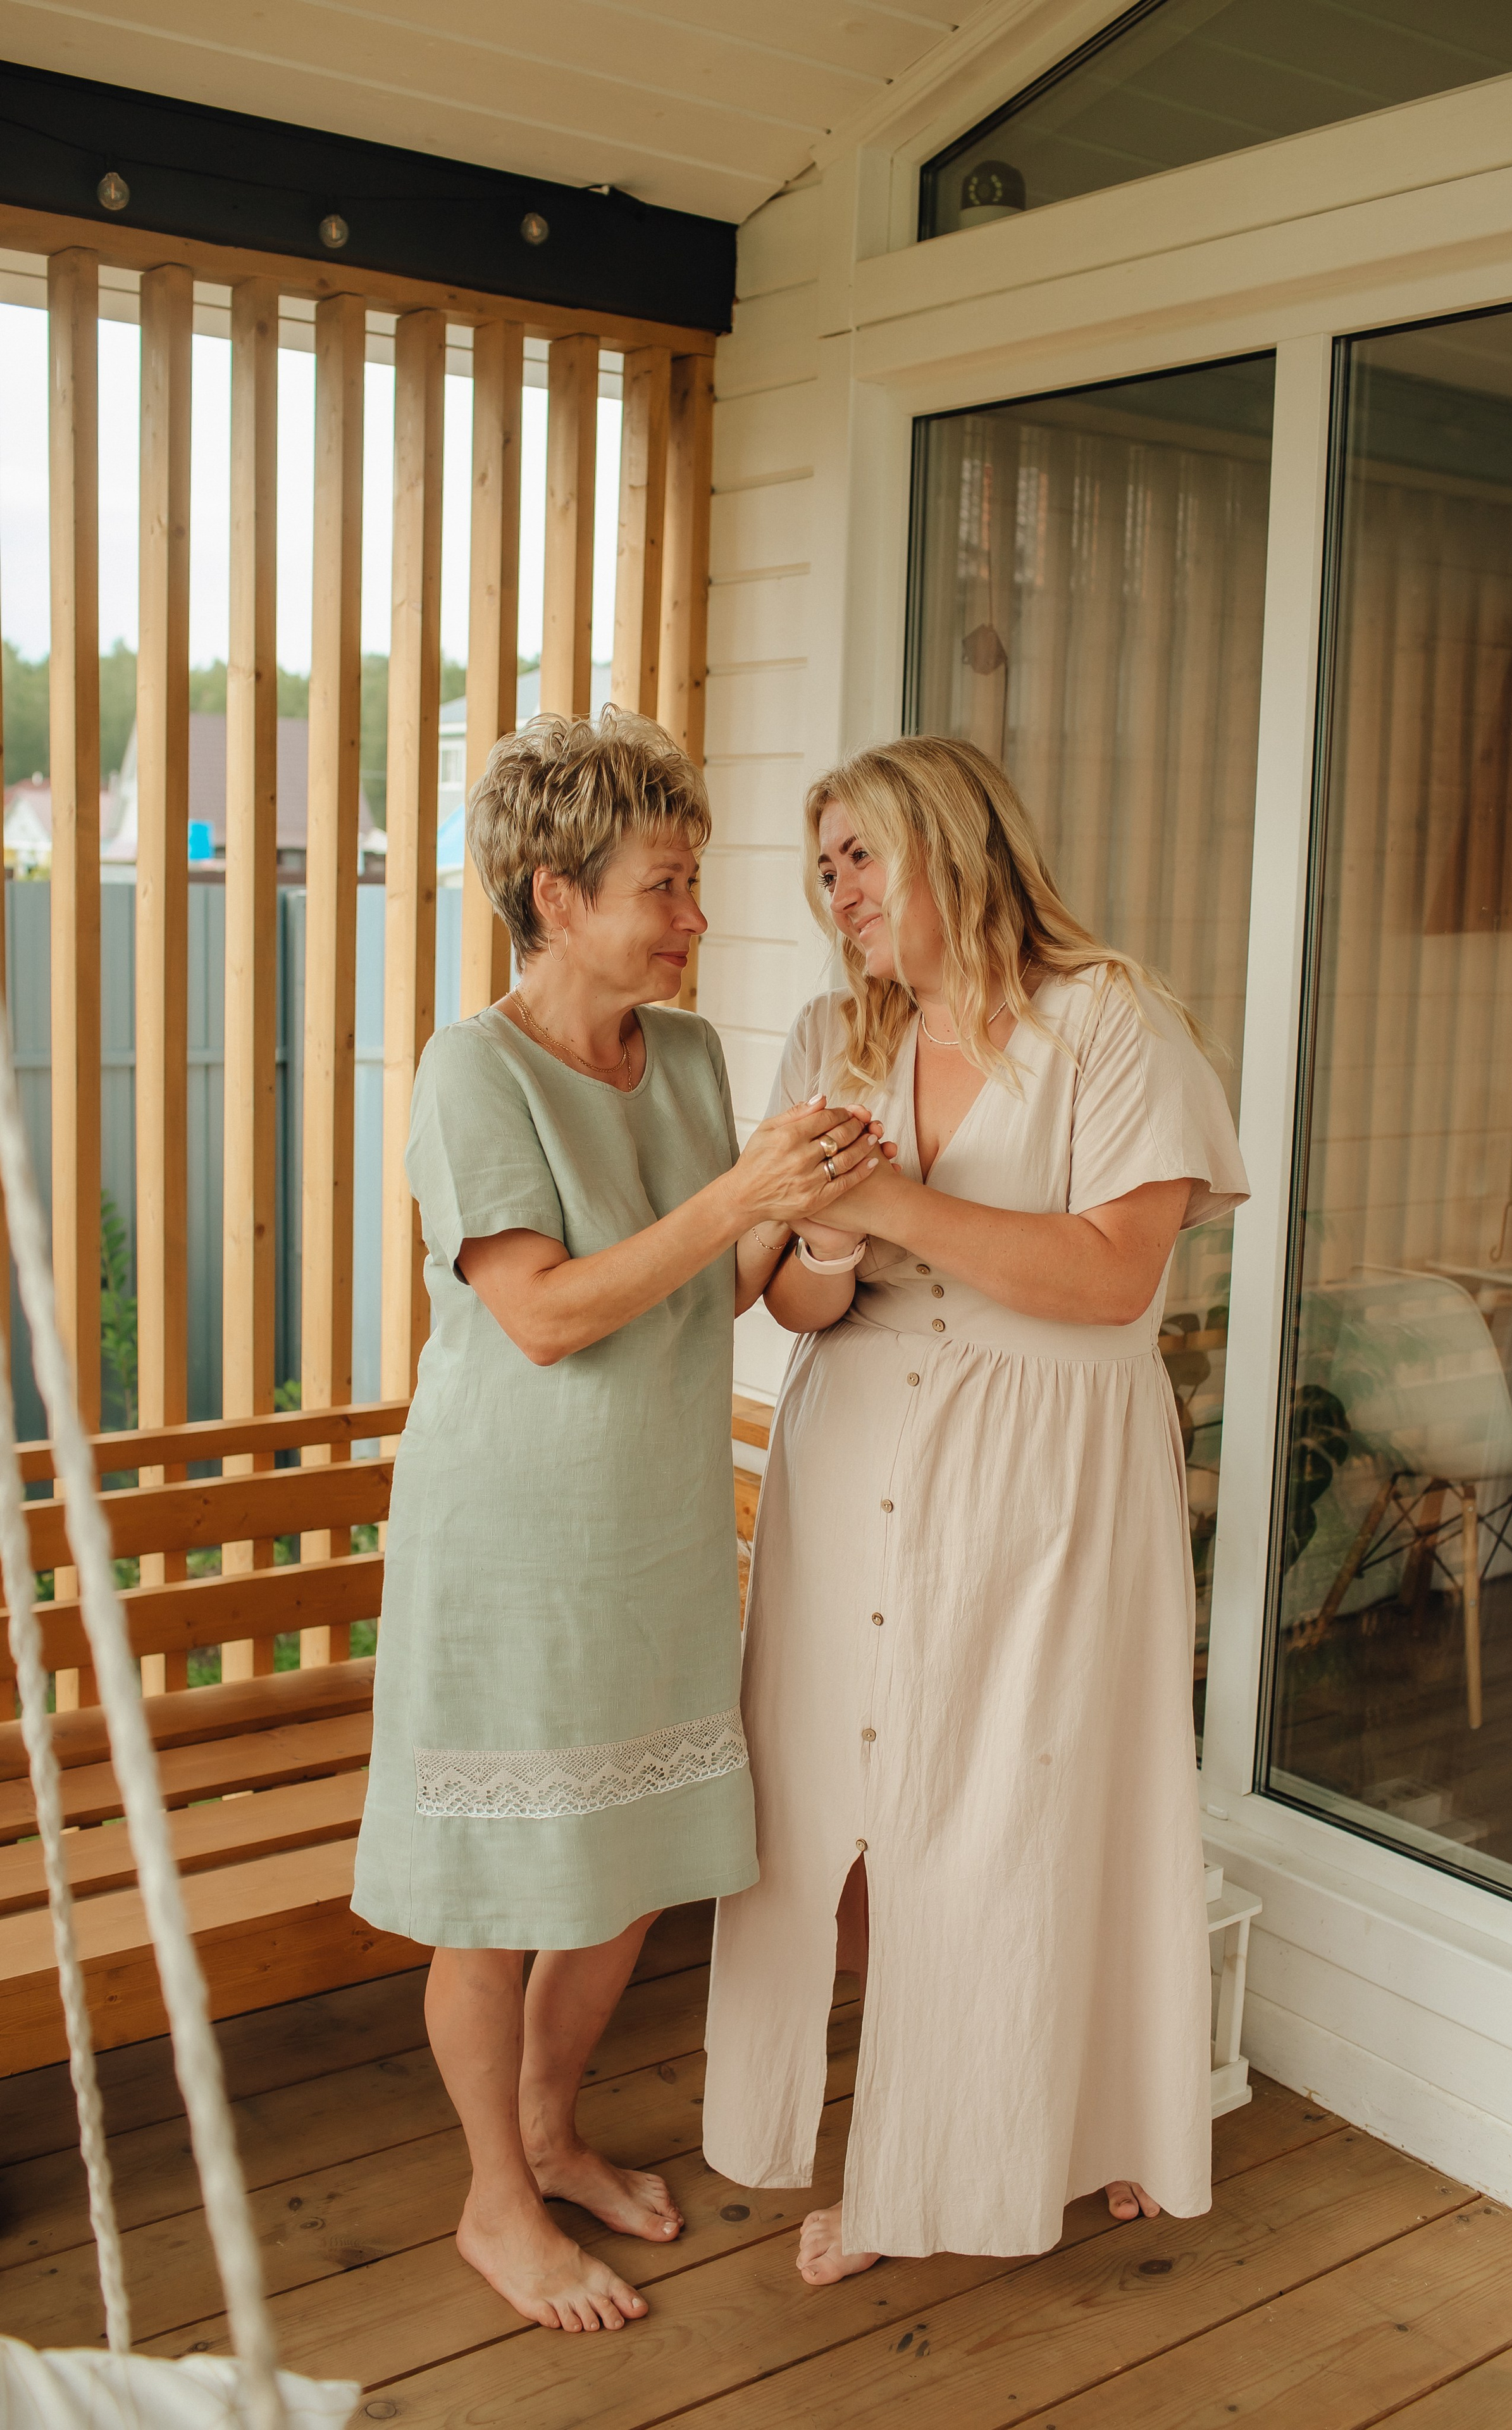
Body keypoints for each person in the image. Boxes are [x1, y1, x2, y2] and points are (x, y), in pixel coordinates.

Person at [352, 708, 885, 2334]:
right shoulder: (474, 1068)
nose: (694, 918)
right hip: (511, 1542)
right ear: (553, 893)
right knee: (501, 1888)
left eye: (693, 881)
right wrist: (737, 1197)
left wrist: (827, 1235)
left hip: (652, 1534)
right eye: (663, 885)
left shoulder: (701, 1058)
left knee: (630, 1865)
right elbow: (547, 1313)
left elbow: (721, 1290)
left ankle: (546, 2128)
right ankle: (493, 2205)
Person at [702, 735, 1249, 2282]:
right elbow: (802, 1303)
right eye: (822, 873)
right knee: (842, 1816)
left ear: (953, 844)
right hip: (853, 1454)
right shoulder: (830, 1032)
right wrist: (821, 1243)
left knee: (1028, 1804)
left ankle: (1055, 2135)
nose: (838, 897)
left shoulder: (1106, 1024)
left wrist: (879, 1201)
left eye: (859, 858)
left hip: (1045, 1470)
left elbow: (1108, 1274)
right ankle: (903, 2135)